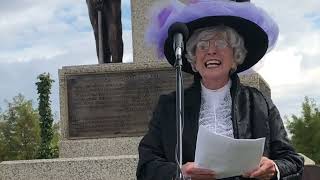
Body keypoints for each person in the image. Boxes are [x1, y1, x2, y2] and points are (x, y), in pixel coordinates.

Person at [137, 0, 304, 179]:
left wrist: (274, 168)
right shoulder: (170, 106)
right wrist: (179, 173)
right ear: (193, 61)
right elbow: (146, 166)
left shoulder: (259, 102)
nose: (211, 51)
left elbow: (293, 160)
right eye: (202, 46)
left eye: (221, 44)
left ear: (236, 56)